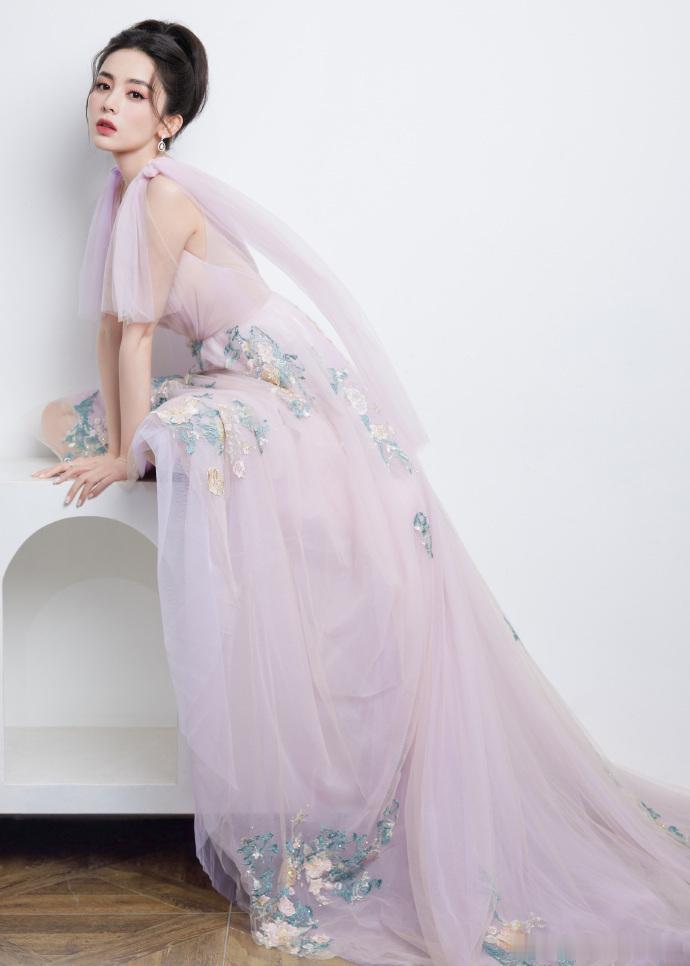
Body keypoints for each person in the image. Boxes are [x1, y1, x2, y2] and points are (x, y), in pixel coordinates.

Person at [29, 19, 690, 966]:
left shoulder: (161, 197)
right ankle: (146, 437)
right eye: (103, 84)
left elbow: (138, 337)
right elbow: (110, 329)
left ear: (168, 121)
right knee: (65, 419)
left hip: (285, 386)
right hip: (230, 373)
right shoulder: (119, 195)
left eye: (136, 93)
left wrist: (132, 456)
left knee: (162, 435)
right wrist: (112, 443)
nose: (109, 103)